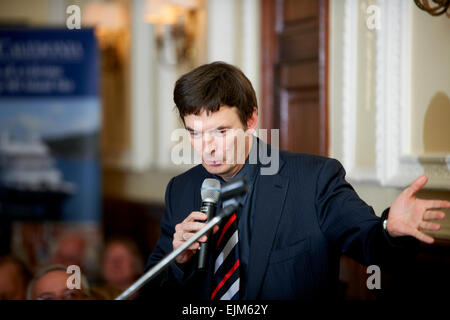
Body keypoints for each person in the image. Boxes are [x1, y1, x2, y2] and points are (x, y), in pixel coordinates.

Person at [141, 61, 449, 300]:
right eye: (194, 133)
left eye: (221, 132)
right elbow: (152, 293)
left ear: (251, 120)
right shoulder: (180, 191)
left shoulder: (313, 180)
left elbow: (369, 243)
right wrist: (178, 261)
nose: (206, 148)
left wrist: (389, 231)